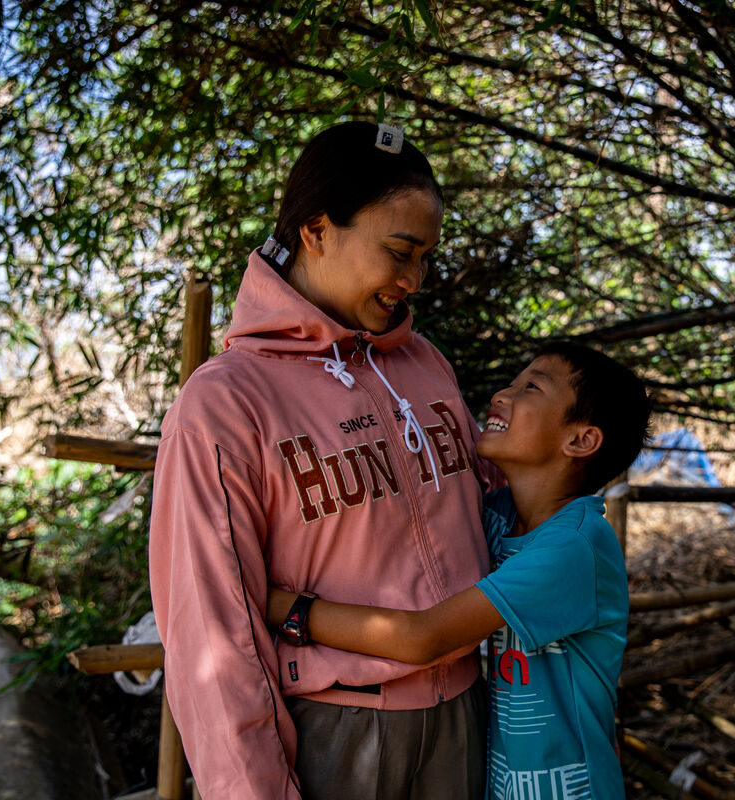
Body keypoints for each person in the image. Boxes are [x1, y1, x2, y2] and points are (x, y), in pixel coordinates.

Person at [149, 121, 500, 800]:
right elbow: (213, 634)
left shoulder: (425, 365)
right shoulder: (227, 402)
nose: (414, 280)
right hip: (337, 738)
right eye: (400, 252)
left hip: (468, 716)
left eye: (425, 257)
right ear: (316, 230)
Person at [267, 341, 652, 800]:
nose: (502, 395)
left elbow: (423, 637)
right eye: (512, 382)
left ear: (580, 440)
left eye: (530, 387)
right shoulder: (498, 515)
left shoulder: (574, 548)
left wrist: (280, 605)